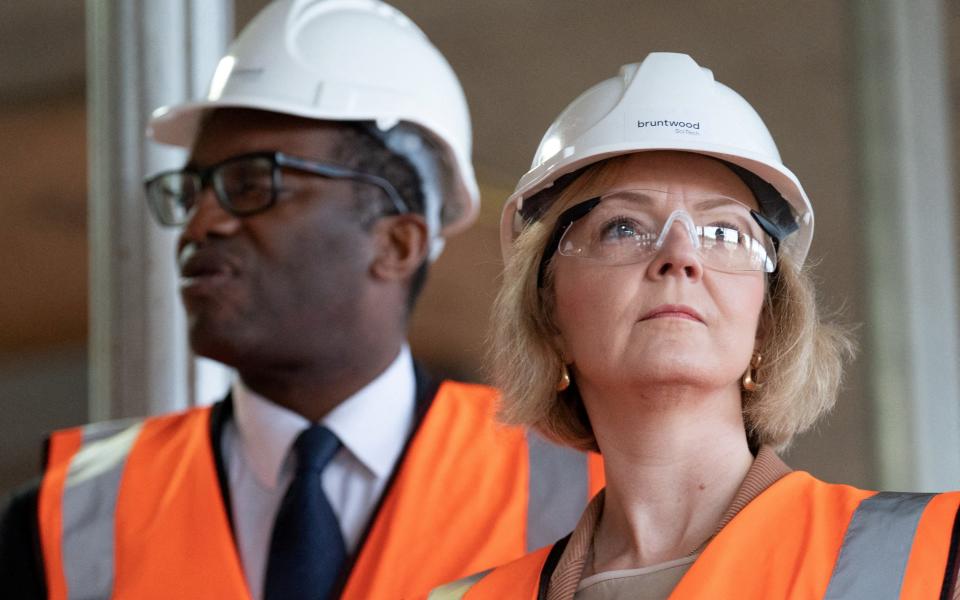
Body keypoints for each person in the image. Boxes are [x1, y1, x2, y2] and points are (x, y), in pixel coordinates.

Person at [0, 2, 603, 599]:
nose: (199, 226)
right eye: (194, 191)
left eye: (252, 184)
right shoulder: (66, 518)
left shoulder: (585, 491)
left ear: (396, 241)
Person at [425, 52, 960, 599]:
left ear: (767, 319)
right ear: (549, 314)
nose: (680, 256)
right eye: (623, 227)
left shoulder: (941, 554)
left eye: (724, 233)